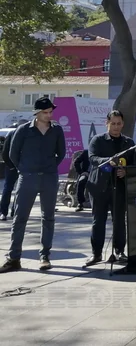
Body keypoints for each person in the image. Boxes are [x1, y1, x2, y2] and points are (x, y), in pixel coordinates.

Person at [0, 97, 65, 273]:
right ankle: (14, 258)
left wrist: (50, 168)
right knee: (20, 218)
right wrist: (24, 169)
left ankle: (44, 256)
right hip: (27, 178)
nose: (49, 115)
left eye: (51, 112)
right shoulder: (23, 130)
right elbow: (13, 154)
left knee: (48, 217)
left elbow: (62, 153)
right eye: (45, 112)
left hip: (49, 178)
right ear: (36, 113)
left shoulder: (57, 130)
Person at [83, 110, 134, 267]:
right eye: (113, 123)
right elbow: (92, 158)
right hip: (99, 186)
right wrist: (108, 161)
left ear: (123, 124)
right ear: (107, 123)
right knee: (98, 221)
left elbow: (134, 162)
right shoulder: (97, 140)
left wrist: (125, 171)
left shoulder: (128, 143)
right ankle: (96, 254)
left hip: (119, 187)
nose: (116, 127)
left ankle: (119, 251)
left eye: (119, 124)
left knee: (119, 221)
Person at [0, 120, 27, 221]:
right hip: (11, 167)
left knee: (20, 190)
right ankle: (3, 212)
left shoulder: (28, 135)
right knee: (8, 189)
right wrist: (11, 166)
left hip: (24, 167)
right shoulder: (11, 134)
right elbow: (5, 152)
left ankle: (15, 211)